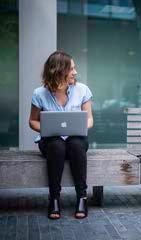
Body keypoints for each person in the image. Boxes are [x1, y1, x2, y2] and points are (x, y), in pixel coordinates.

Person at [29, 51, 93, 220]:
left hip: (75, 140)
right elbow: (32, 121)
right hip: (51, 142)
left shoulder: (82, 90)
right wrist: (48, 129)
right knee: (57, 145)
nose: (75, 72)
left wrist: (79, 127)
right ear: (58, 71)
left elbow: (90, 119)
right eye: (71, 69)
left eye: (74, 68)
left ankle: (82, 197)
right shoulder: (39, 93)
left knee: (76, 144)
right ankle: (54, 198)